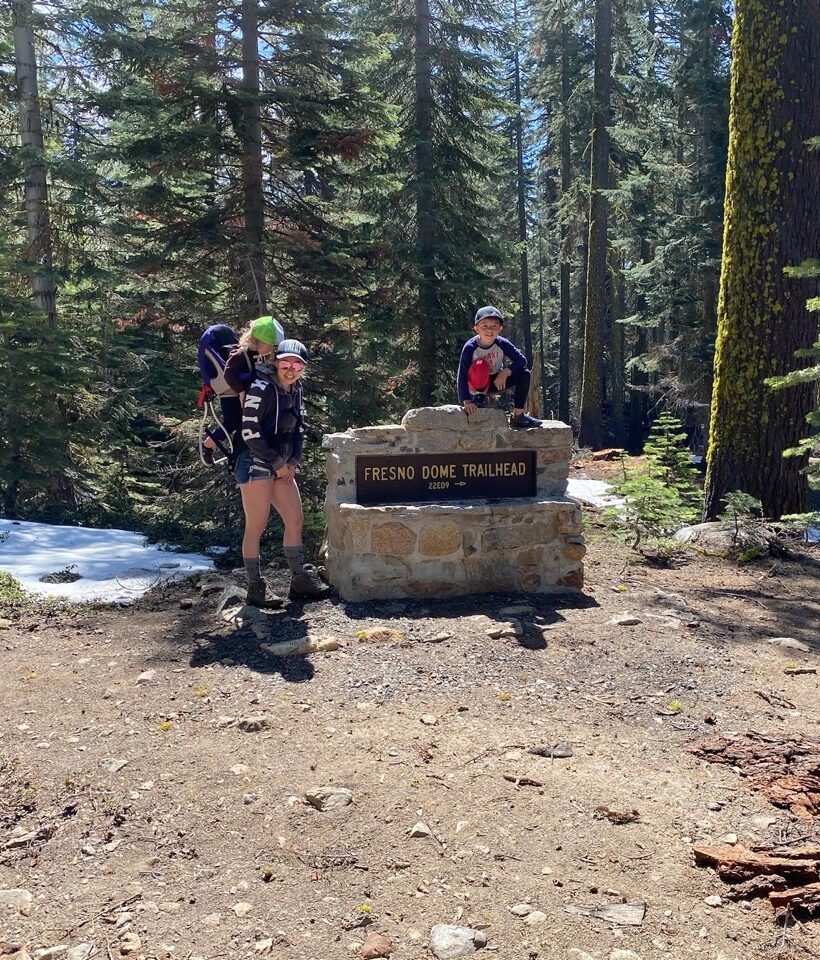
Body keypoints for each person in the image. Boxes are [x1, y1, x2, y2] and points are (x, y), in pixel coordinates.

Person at [236, 338, 331, 605]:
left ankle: (299, 580)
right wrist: (277, 462)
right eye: (285, 362)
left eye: (296, 364)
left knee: (295, 519)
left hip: (282, 464)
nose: (290, 369)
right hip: (255, 460)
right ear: (276, 362)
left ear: (303, 368)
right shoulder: (260, 388)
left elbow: (298, 427)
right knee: (257, 525)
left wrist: (292, 462)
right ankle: (255, 588)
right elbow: (249, 432)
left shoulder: (296, 389)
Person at [200, 315, 284, 463]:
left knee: (245, 423)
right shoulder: (240, 354)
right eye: (269, 345)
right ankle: (207, 445)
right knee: (231, 422)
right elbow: (229, 373)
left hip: (245, 393)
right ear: (257, 341)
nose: (271, 349)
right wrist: (240, 391)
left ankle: (244, 451)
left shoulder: (259, 354)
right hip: (230, 393)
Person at [456, 305, 543, 428]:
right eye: (484, 326)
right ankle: (479, 398)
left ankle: (518, 415)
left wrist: (506, 371)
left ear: (500, 329)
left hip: (496, 381)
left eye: (494, 326)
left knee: (524, 374)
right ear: (476, 329)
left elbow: (521, 360)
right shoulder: (470, 347)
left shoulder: (502, 343)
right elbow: (462, 374)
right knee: (480, 365)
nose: (489, 330)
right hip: (476, 384)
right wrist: (466, 401)